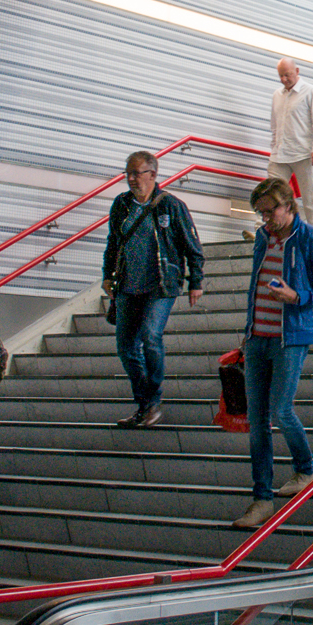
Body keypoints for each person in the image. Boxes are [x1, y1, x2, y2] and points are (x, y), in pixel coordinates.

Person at [235, 178, 313, 530]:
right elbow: (256, 285)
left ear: (289, 206)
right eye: (261, 213)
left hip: (292, 336)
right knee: (257, 422)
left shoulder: (311, 239)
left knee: (280, 410)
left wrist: (298, 297)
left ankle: (305, 468)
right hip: (258, 338)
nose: (267, 219)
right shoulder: (263, 238)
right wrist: (248, 330)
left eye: (272, 211)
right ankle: (261, 498)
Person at [102, 151, 206, 428]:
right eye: (128, 173)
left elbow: (192, 247)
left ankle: (153, 400)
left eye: (137, 173)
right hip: (127, 284)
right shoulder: (121, 205)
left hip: (161, 284)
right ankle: (145, 403)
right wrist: (107, 275)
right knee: (126, 348)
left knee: (150, 335)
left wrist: (196, 281)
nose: (132, 179)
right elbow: (113, 242)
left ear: (153, 174)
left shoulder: (171, 205)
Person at [264, 58, 313, 232]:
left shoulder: (311, 92)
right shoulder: (277, 95)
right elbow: (274, 124)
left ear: (297, 71)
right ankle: (265, 228)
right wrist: (274, 146)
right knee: (271, 192)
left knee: (309, 197)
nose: (285, 79)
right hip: (280, 154)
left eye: (288, 75)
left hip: (304, 153)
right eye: (281, 76)